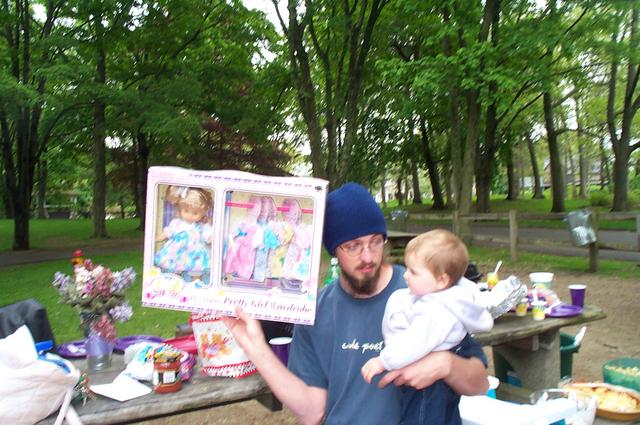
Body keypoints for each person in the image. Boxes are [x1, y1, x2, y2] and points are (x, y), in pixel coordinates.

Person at [221, 182, 489, 425]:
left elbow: (479, 383)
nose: (368, 256)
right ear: (334, 251)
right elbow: (312, 411)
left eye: (376, 242)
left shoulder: (422, 292)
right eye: (353, 246)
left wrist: (446, 364)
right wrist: (256, 348)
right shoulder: (317, 310)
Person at [361, 229, 493, 425]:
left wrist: (383, 361)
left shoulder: (436, 312)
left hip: (430, 383)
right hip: (452, 358)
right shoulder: (449, 298)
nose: (406, 276)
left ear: (441, 280)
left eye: (413, 272)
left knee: (422, 416)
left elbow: (415, 342)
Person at [154, 185, 213, 285]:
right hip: (177, 252)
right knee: (174, 269)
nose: (190, 216)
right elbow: (167, 233)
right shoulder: (176, 223)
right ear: (180, 209)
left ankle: (197, 284)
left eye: (195, 213)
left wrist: (212, 238)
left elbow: (208, 236)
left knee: (196, 270)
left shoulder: (202, 226)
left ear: (203, 213)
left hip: (194, 254)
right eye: (186, 211)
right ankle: (174, 284)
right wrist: (156, 238)